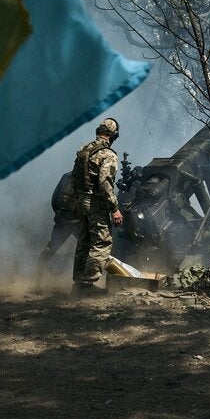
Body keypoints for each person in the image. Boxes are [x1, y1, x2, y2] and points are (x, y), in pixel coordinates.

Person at [71, 118, 124, 294]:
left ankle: (78, 283)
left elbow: (74, 177)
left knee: (84, 242)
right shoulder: (108, 155)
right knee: (101, 243)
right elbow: (105, 183)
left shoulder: (84, 149)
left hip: (82, 201)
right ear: (113, 136)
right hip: (96, 204)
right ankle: (86, 286)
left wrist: (78, 198)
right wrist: (115, 209)